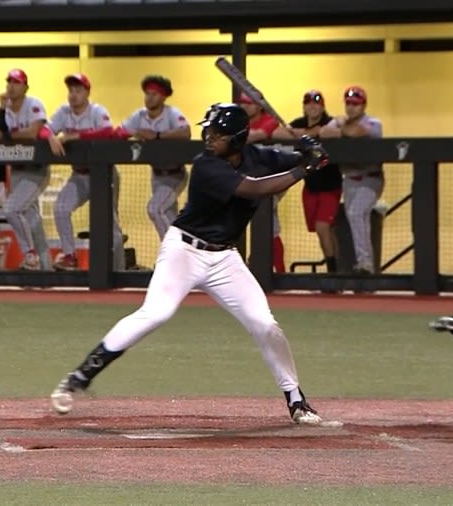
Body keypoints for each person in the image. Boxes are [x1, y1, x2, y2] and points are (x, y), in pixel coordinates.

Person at [49, 103, 334, 425]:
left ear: (237, 140)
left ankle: (296, 400)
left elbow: (294, 161)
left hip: (225, 258)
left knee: (265, 324)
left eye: (218, 134)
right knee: (155, 313)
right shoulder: (206, 166)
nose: (209, 137)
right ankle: (79, 377)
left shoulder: (256, 156)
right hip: (184, 250)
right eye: (208, 131)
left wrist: (310, 151)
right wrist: (305, 169)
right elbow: (256, 188)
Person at [50, 73, 125, 271]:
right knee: (60, 208)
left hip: (103, 174)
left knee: (110, 224)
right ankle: (69, 256)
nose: (73, 95)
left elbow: (108, 132)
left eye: (78, 90)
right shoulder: (63, 112)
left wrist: (73, 136)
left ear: (87, 92)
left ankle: (119, 270)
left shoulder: (96, 111)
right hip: (79, 175)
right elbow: (46, 129)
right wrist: (50, 136)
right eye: (70, 91)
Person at [0, 69, 52, 270]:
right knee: (32, 220)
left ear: (25, 87)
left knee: (11, 209)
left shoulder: (33, 104)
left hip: (36, 169)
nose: (11, 86)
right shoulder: (5, 110)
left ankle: (30, 255)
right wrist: (0, 108)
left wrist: (6, 137)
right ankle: (46, 267)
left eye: (16, 82)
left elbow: (33, 133)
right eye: (9, 82)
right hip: (16, 171)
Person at [273, 90, 342, 274]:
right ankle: (335, 268)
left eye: (317, 103)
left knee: (323, 226)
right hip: (310, 186)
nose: (313, 106)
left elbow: (331, 132)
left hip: (330, 185)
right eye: (309, 103)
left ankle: (333, 273)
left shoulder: (330, 122)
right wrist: (305, 133)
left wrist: (304, 134)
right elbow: (276, 133)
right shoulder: (299, 123)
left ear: (323, 106)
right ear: (304, 106)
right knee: (321, 230)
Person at [115, 75, 191, 239]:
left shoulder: (171, 113)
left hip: (175, 174)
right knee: (169, 218)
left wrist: (157, 135)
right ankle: (181, 254)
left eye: (154, 94)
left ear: (163, 96)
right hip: (156, 175)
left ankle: (171, 253)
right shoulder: (139, 115)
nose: (149, 98)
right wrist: (134, 132)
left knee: (155, 209)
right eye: (147, 93)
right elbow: (119, 132)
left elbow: (185, 132)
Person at [320, 86, 383, 274]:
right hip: (349, 180)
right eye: (348, 103)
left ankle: (365, 263)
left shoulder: (374, 122)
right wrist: (341, 127)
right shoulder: (340, 122)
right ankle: (365, 264)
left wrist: (341, 127)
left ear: (363, 105)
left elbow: (360, 132)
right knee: (358, 219)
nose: (351, 107)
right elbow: (323, 133)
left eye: (355, 104)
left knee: (356, 214)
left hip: (371, 179)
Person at [237, 92, 287, 273]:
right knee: (264, 222)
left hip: (275, 177)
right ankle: (258, 265)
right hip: (252, 178)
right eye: (242, 103)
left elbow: (256, 135)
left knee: (265, 218)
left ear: (259, 106)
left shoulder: (270, 120)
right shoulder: (241, 121)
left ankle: (276, 270)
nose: (245, 106)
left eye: (249, 103)